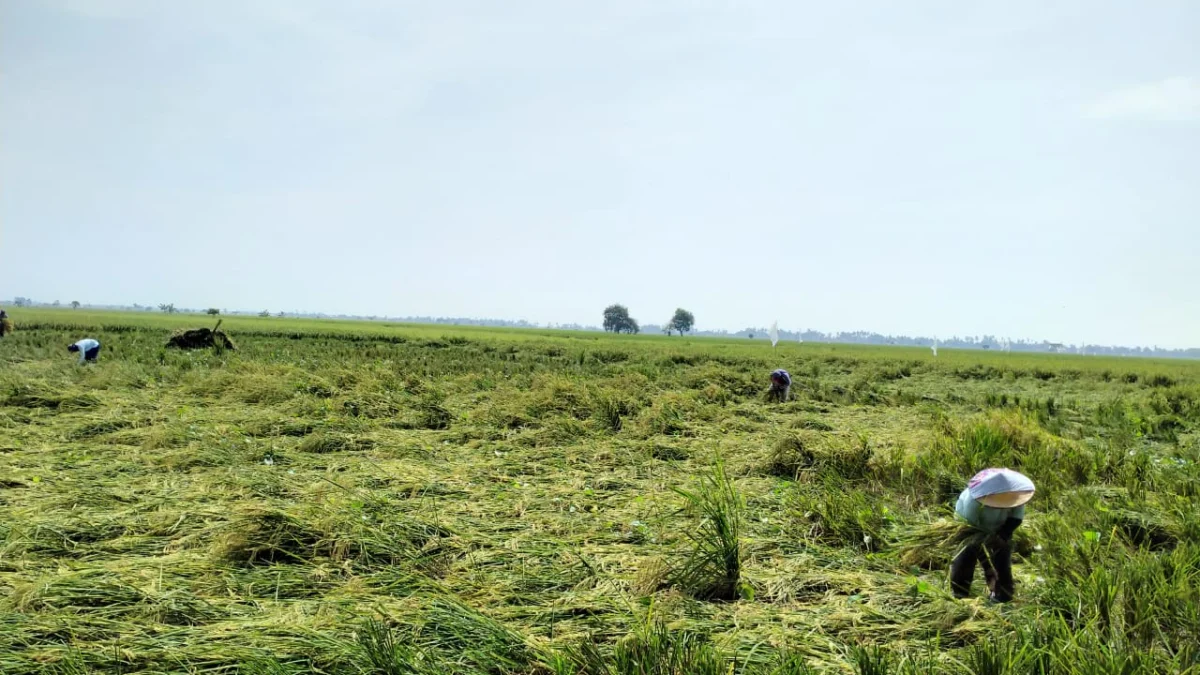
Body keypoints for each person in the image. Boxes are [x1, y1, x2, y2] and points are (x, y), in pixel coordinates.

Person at [949, 468, 1035, 602]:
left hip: (999, 527)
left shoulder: (1015, 496)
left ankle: (1003, 595)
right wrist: (988, 569)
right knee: (966, 557)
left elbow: (1015, 519)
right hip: (971, 527)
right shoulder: (972, 504)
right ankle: (959, 594)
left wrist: (1003, 536)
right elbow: (974, 539)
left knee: (1002, 559)